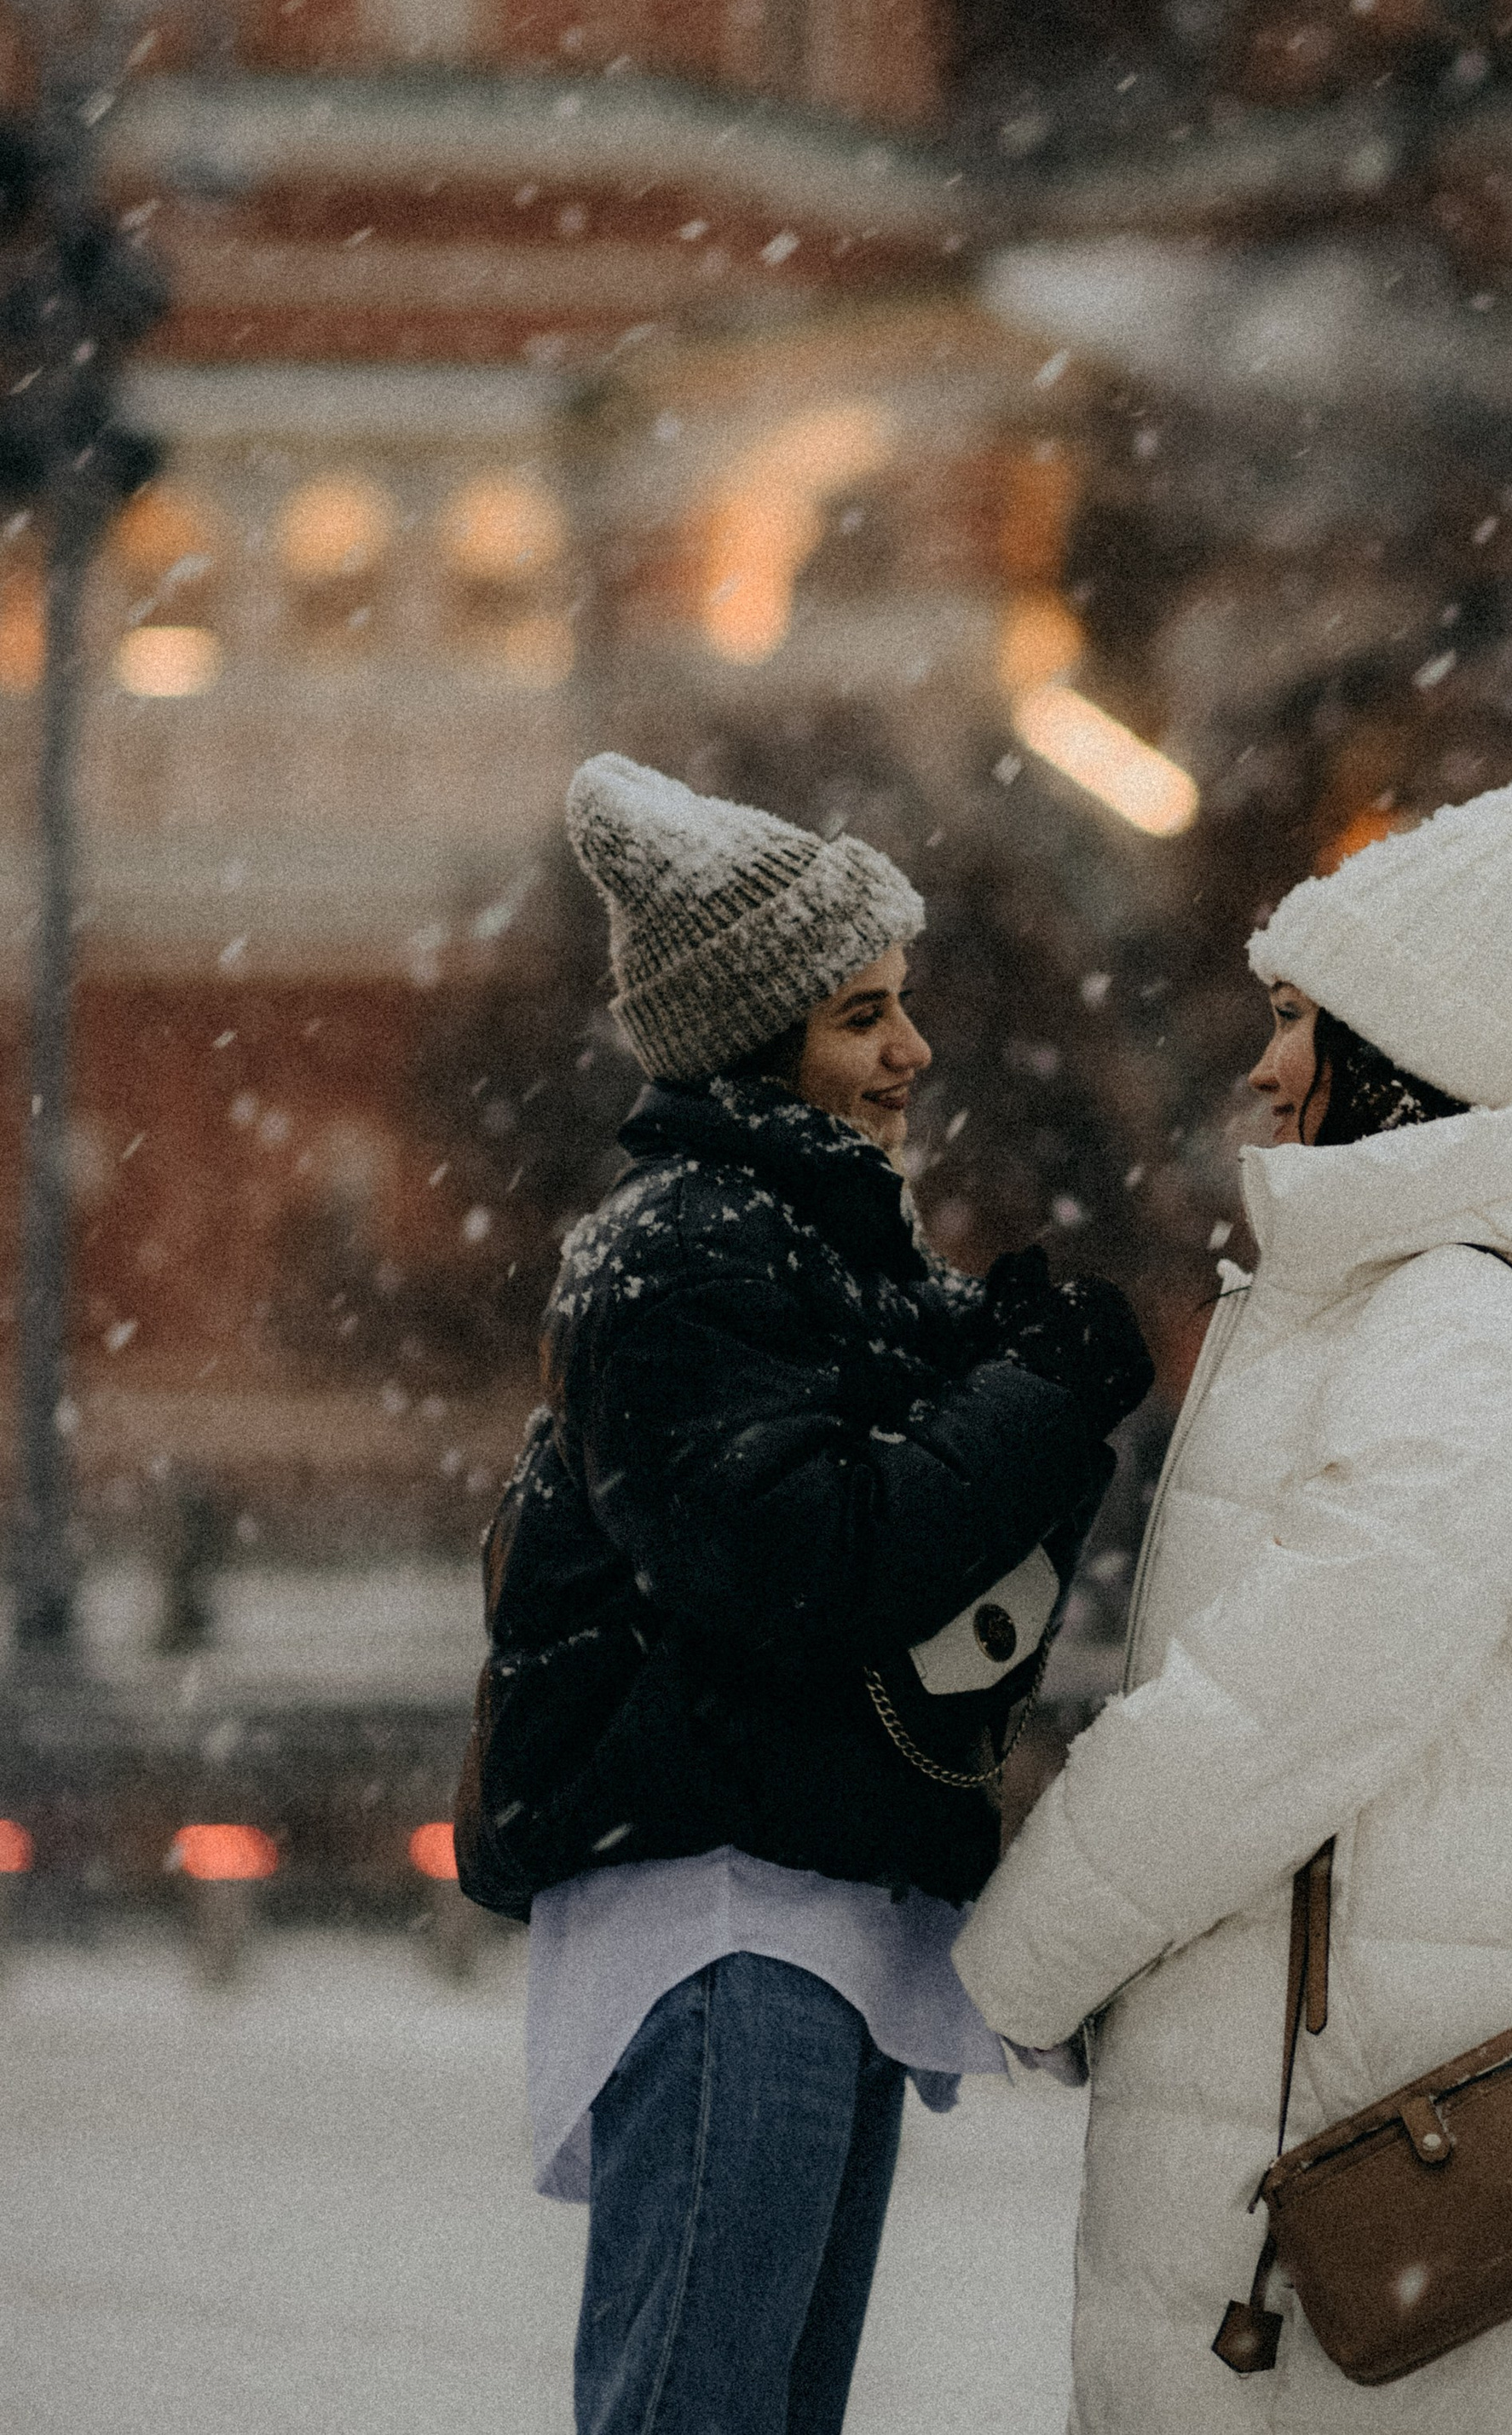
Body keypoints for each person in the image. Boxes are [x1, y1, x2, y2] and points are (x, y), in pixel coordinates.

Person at [955, 769, 1512, 2435]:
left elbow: (1289, 1699)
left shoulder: (1452, 1316)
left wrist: (1029, 1951)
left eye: (1301, 1021)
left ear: (1401, 1054)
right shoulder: (1406, 1294)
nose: (1263, 1064)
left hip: (1352, 2122)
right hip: (1334, 2085)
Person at [455, 753, 1150, 2435]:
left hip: (815, 1919)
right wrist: (1034, 1407)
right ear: (754, 1037)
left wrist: (1003, 1371)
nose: (910, 1052)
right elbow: (810, 1565)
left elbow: (922, 1567)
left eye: (898, 1007)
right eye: (860, 1015)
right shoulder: (688, 1245)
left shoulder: (814, 1250)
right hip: (720, 1928)